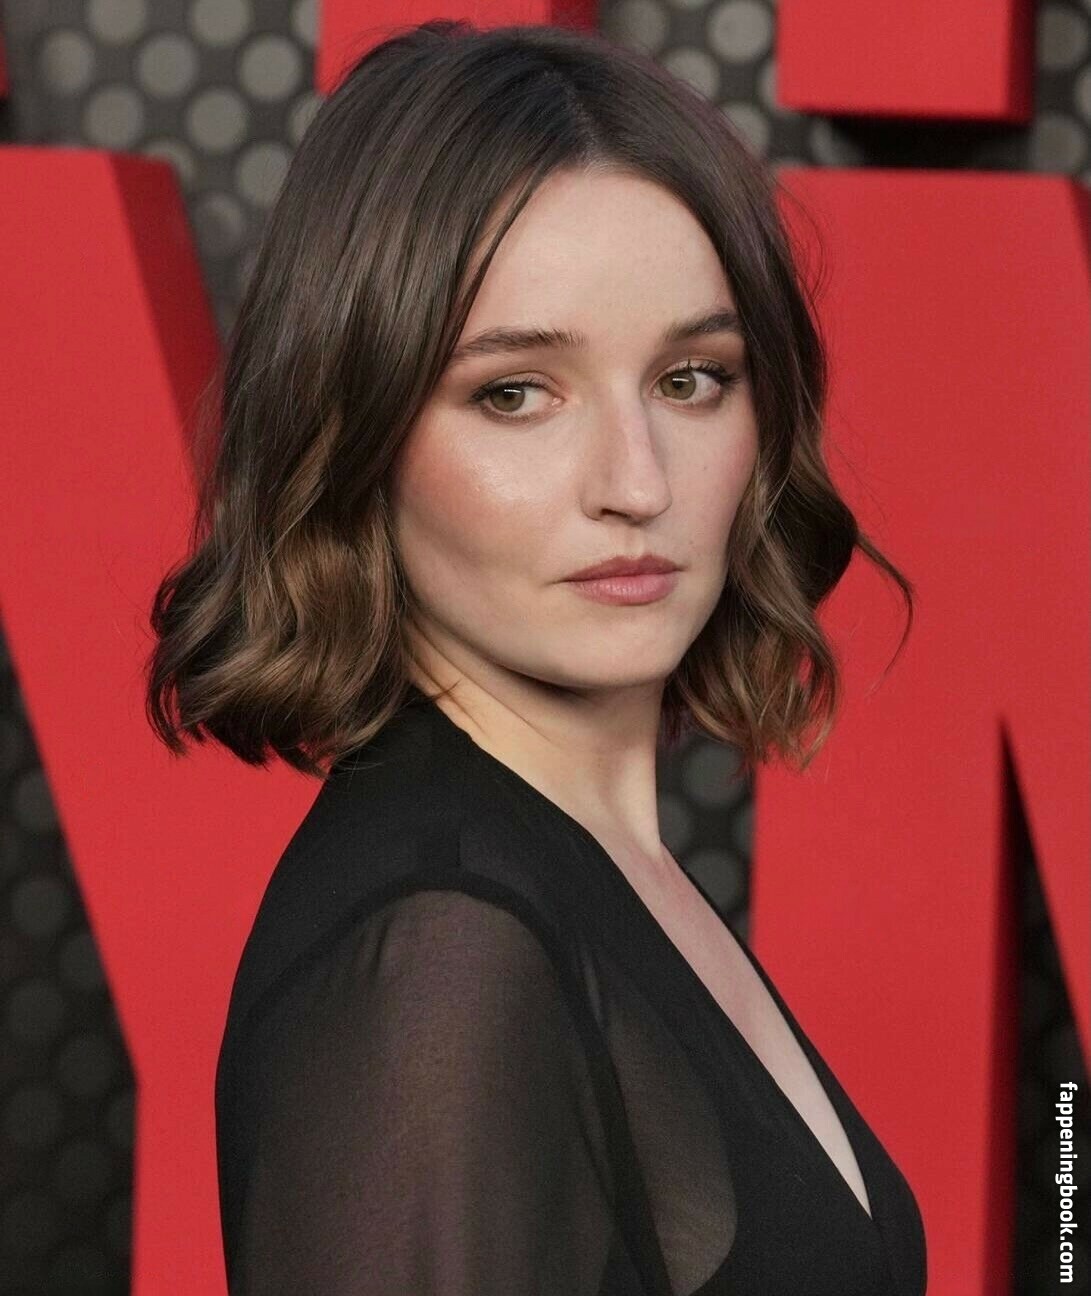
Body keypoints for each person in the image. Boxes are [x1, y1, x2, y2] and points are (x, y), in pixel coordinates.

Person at [145, 18, 924, 1295]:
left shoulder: (594, 870)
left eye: (690, 378)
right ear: (356, 429)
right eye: (514, 392)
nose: (636, 483)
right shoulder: (445, 949)